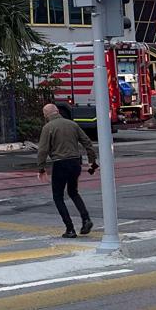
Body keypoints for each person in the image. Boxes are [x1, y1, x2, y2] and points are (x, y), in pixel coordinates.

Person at [35, 101, 96, 238]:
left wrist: (41, 168)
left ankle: (70, 228)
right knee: (73, 192)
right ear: (57, 111)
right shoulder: (72, 124)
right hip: (75, 163)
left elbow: (43, 150)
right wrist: (92, 161)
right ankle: (86, 219)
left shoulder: (48, 127)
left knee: (58, 196)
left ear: (45, 115)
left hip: (60, 164)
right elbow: (87, 143)